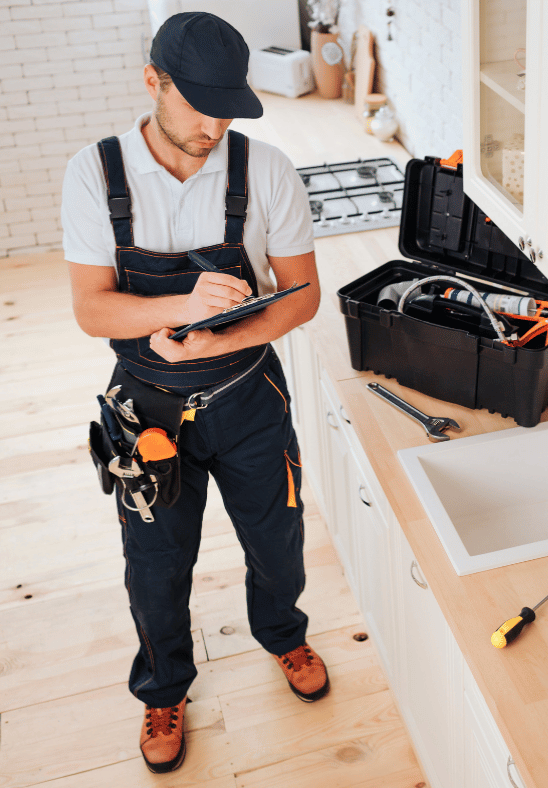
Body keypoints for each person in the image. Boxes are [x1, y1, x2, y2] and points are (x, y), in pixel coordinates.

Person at [62, 12, 325, 774]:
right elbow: (92, 309)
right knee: (155, 560)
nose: (214, 125)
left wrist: (224, 337)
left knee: (278, 540)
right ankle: (164, 686)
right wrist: (180, 308)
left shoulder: (265, 168)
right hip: (145, 408)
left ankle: (283, 634)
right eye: (198, 104)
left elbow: (300, 296)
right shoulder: (97, 173)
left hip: (247, 396)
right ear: (154, 82)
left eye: (227, 106)